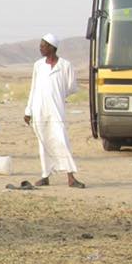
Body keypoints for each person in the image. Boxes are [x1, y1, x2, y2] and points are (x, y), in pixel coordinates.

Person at [24, 33, 85, 188]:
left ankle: (71, 177)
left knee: (61, 140)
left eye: (43, 45)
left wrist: (58, 94)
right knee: (43, 141)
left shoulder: (65, 65)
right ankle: (45, 175)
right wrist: (28, 110)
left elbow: (72, 87)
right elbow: (33, 88)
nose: (40, 48)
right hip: (39, 109)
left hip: (56, 109)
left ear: (52, 47)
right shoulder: (38, 65)